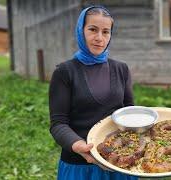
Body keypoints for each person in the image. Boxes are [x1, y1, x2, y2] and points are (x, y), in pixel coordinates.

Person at [49, 5, 137, 180]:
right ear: (81, 31)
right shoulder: (65, 72)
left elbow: (129, 114)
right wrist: (78, 146)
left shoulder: (121, 69)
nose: (99, 38)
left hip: (120, 163)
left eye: (106, 32)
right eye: (92, 29)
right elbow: (58, 124)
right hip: (81, 166)